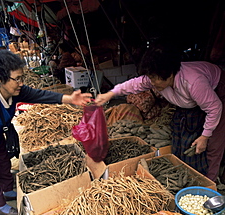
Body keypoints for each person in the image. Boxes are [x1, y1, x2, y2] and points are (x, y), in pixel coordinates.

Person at [0, 50, 92, 215]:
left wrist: (70, 99)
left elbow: (40, 95)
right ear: (0, 79)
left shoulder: (15, 91)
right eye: (17, 79)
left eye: (22, 78)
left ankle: (8, 190)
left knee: (3, 165)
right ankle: (1, 205)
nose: (21, 83)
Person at [95, 42, 225, 183]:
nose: (152, 83)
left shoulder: (194, 82)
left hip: (218, 92)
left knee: (214, 143)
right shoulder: (156, 78)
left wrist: (205, 136)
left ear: (170, 75)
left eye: (155, 78)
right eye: (151, 78)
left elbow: (214, 108)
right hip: (194, 99)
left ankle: (210, 183)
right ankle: (184, 170)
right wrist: (111, 94)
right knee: (181, 135)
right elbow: (133, 84)